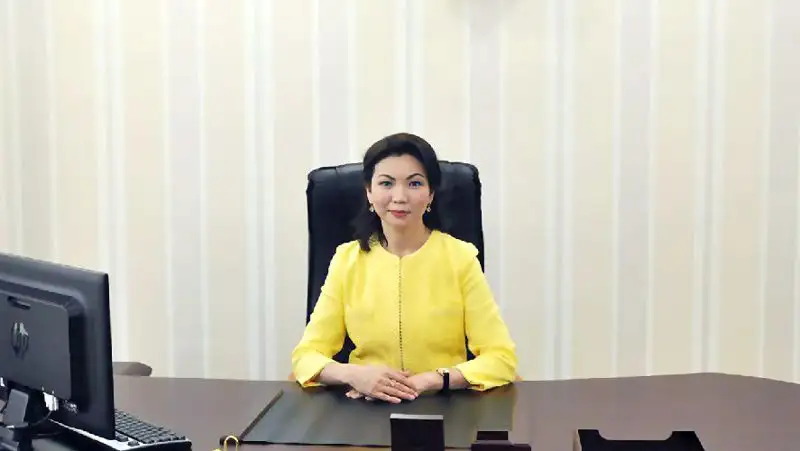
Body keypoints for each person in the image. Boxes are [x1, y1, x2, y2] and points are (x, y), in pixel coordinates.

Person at [291, 132, 518, 404]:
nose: (399, 197)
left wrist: (432, 379)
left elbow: (501, 359)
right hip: (365, 405)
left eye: (414, 183)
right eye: (386, 183)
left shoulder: (460, 258)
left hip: (443, 403)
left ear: (431, 194)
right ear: (369, 192)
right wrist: (355, 374)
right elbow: (306, 357)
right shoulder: (347, 260)